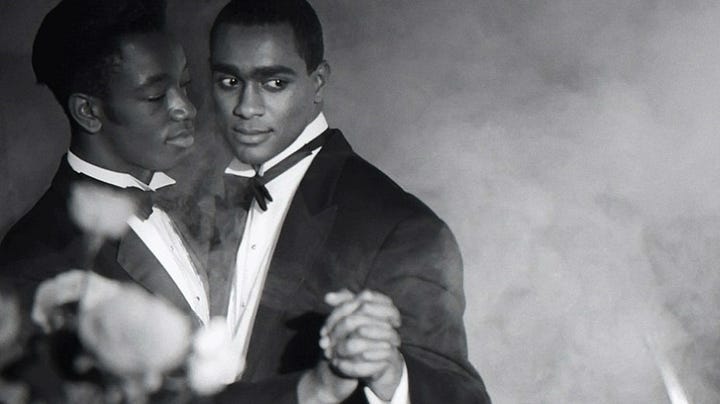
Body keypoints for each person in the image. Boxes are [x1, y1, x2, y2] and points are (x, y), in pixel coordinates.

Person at [206, 0, 491, 402]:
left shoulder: (402, 229)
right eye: (229, 81)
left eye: (274, 83)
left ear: (318, 82)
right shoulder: (196, 201)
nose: (246, 108)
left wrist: (391, 375)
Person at [0, 0, 209, 327]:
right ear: (88, 112)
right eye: (155, 96)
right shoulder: (35, 261)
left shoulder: (196, 203)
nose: (187, 108)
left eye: (184, 85)